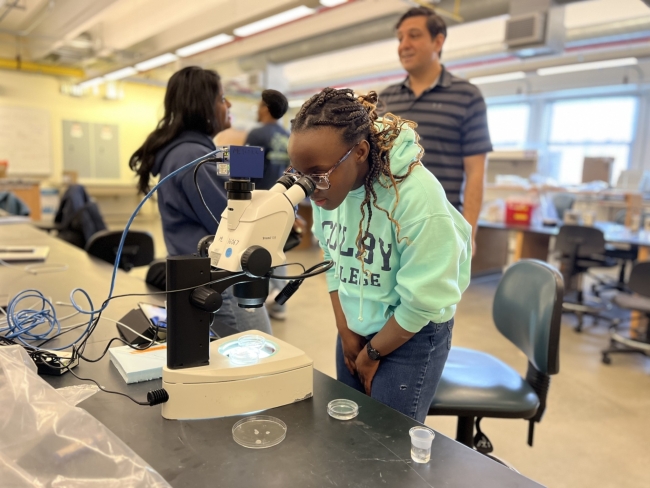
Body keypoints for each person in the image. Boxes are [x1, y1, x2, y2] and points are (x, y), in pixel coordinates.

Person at [288, 87, 471, 422]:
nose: (310, 189)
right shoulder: (330, 194)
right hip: (356, 322)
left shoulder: (418, 200)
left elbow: (422, 302)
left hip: (413, 330)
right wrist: (346, 330)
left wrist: (372, 353)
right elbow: (331, 262)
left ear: (359, 151)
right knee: (347, 429)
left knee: (388, 440)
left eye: (318, 175)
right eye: (300, 175)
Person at [129, 66, 271, 335]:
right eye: (221, 98)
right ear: (202, 105)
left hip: (198, 277)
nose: (228, 104)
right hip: (221, 282)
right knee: (258, 355)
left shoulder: (188, 154)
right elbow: (233, 229)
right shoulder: (194, 160)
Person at [379, 7, 492, 254]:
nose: (404, 45)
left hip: (440, 225)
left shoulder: (467, 96)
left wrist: (469, 231)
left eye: (414, 35)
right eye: (400, 38)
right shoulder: (386, 99)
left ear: (438, 41)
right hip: (386, 224)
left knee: (433, 293)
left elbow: (476, 172)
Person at [245, 90, 292, 320]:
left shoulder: (256, 134)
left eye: (258, 106)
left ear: (265, 108)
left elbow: (244, 173)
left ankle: (257, 303)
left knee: (256, 253)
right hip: (283, 204)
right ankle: (280, 304)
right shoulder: (288, 135)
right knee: (277, 252)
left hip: (260, 204)